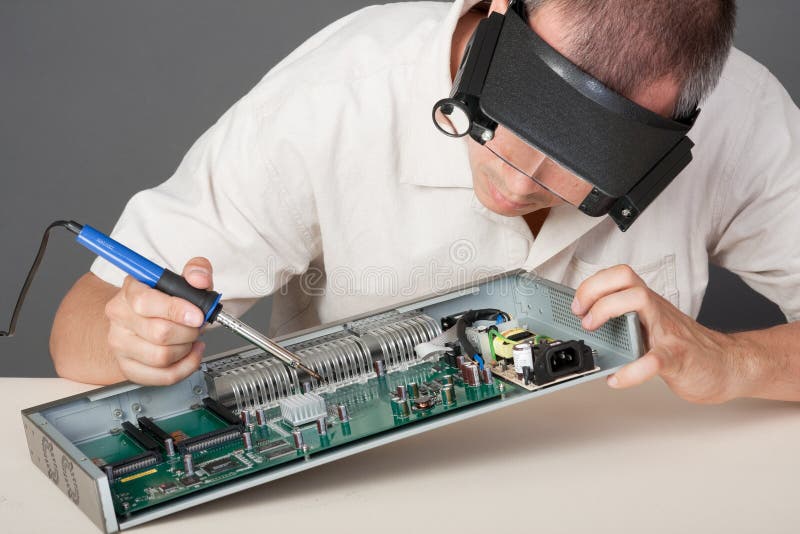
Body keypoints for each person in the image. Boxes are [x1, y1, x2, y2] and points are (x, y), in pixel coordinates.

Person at [50, 0, 800, 403]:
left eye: (581, 160)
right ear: (501, 13)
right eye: (509, 119)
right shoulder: (332, 99)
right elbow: (76, 331)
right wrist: (132, 340)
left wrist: (736, 362)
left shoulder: (745, 119)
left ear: (671, 130)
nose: (517, 182)